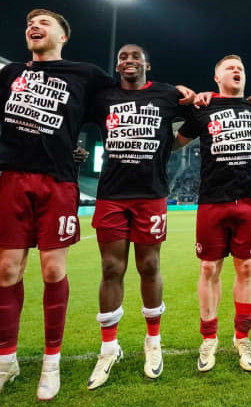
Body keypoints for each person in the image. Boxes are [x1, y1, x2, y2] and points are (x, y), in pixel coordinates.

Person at [0, 9, 114, 400]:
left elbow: (124, 97)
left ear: (63, 37)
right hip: (12, 177)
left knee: (52, 271)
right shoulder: (10, 72)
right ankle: (6, 360)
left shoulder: (86, 74)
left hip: (59, 180)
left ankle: (51, 363)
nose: (33, 26)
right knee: (6, 270)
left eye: (44, 23)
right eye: (30, 22)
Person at [85, 44, 196, 389]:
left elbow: (198, 114)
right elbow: (72, 114)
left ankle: (153, 342)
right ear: (117, 66)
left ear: (147, 63)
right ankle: (108, 348)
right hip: (112, 194)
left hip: (151, 195)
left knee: (149, 266)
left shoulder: (166, 94)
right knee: (110, 268)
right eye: (122, 56)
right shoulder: (103, 96)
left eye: (135, 56)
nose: (128, 60)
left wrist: (172, 143)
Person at [174, 55, 251, 373]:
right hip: (212, 201)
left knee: (246, 268)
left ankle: (242, 337)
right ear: (216, 76)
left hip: (250, 200)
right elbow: (176, 143)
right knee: (208, 269)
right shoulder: (203, 108)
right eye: (231, 68)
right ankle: (209, 337)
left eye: (242, 68)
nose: (237, 71)